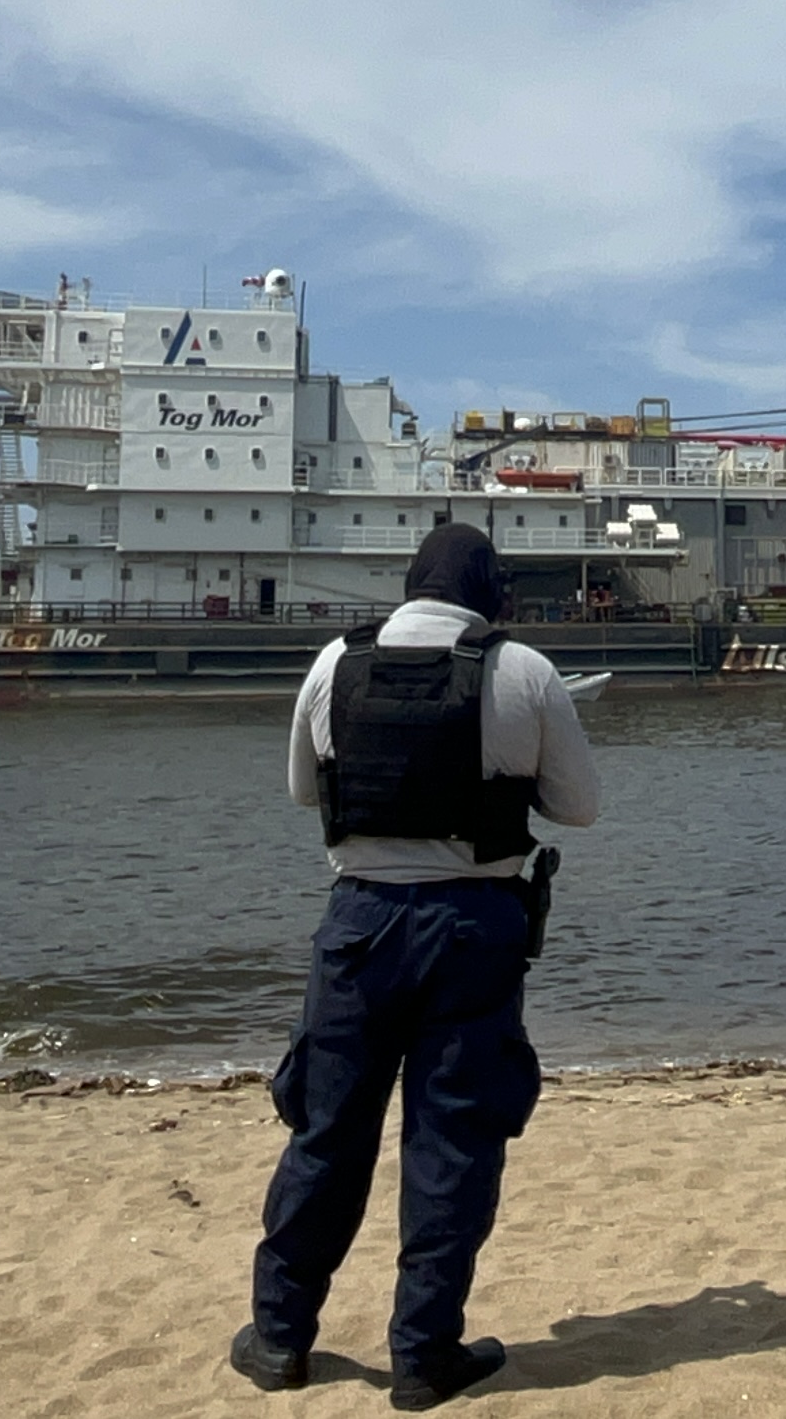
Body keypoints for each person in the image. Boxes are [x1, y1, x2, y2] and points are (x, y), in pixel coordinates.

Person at [231, 523, 600, 1407]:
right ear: (491, 595)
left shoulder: (334, 663)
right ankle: (425, 1356)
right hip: (475, 927)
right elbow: (579, 807)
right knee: (451, 1143)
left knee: (326, 1133)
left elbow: (303, 791)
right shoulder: (525, 671)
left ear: (410, 586)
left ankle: (280, 1339)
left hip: (359, 924)